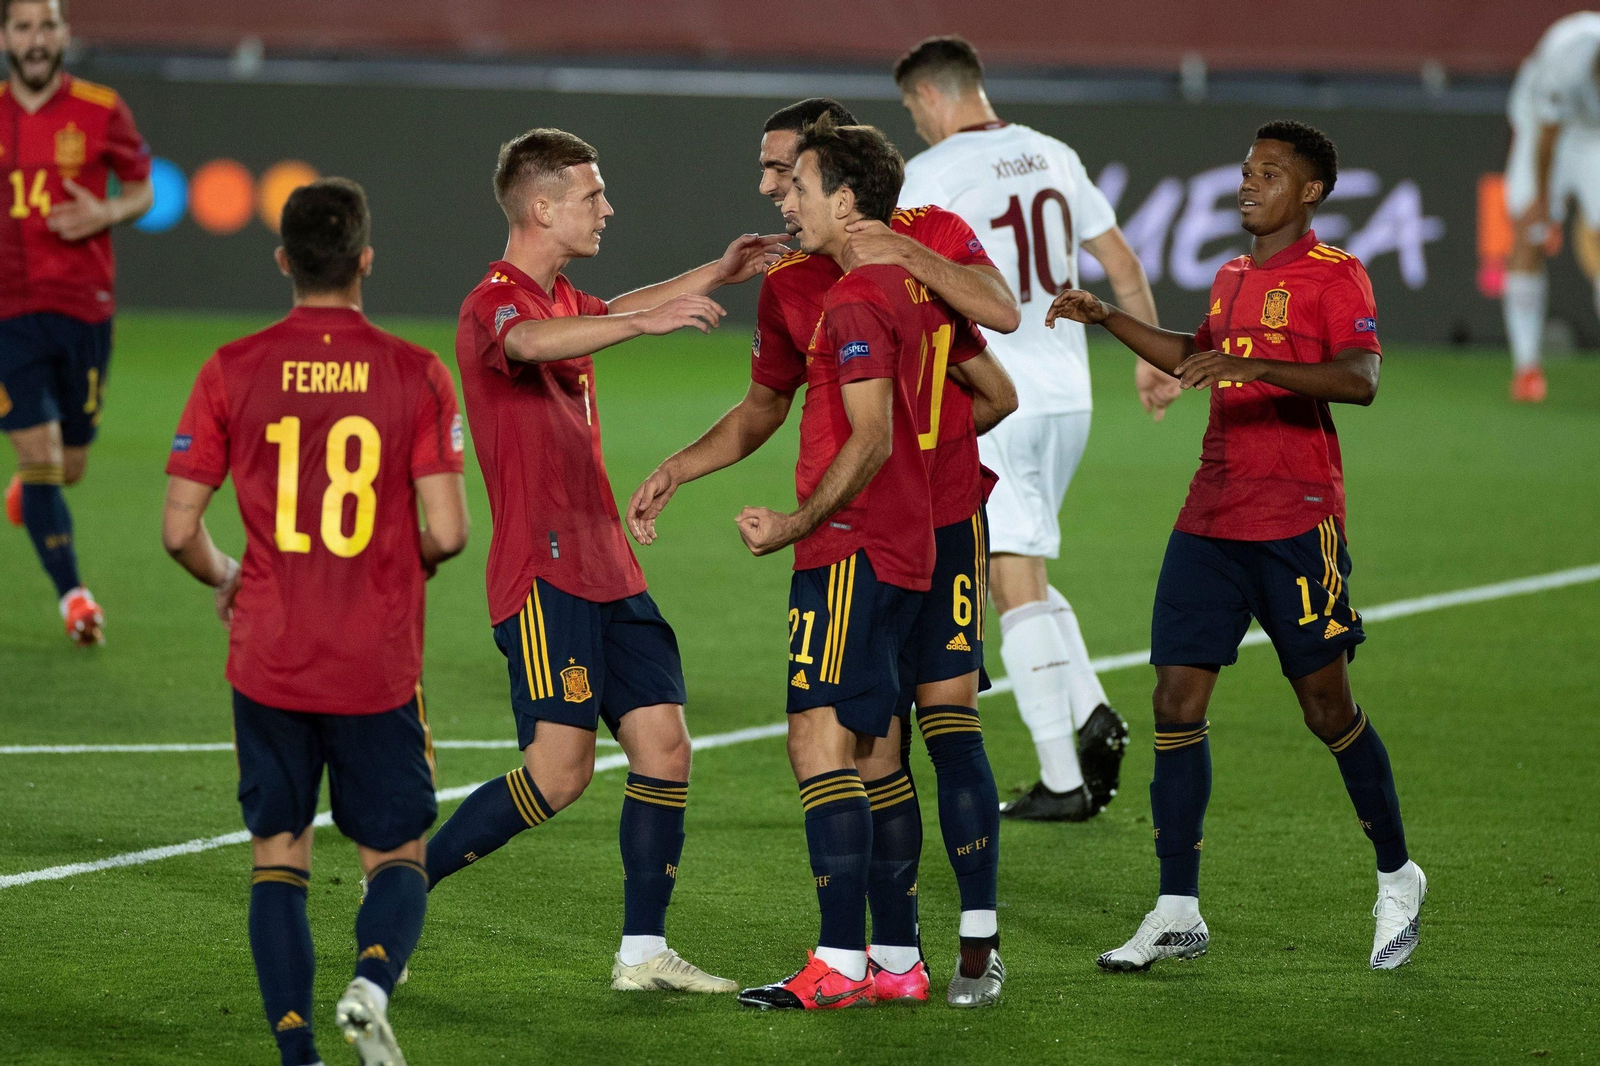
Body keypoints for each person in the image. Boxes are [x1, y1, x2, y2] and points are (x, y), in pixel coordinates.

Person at [633, 96, 1016, 1007]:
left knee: (879, 733)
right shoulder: (801, 280)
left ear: (838, 182)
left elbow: (980, 371)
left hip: (887, 528)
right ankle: (896, 956)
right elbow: (770, 407)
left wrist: (838, 505)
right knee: (877, 746)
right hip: (897, 523)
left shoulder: (894, 261)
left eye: (785, 173)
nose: (771, 192)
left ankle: (901, 951)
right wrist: (684, 466)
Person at [1048, 121, 1426, 972]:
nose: (1249, 183)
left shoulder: (1337, 276)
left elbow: (1360, 379)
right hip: (1209, 518)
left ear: (1312, 191)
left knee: (1326, 709)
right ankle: (1176, 908)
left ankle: (1398, 874)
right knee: (1176, 703)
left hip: (1296, 519)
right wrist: (1106, 315)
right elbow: (1196, 355)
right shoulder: (1230, 275)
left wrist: (1254, 368)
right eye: (1247, 170)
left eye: (1270, 173)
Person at [427, 127, 784, 994]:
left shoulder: (565, 301)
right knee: (559, 773)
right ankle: (402, 882)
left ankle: (641, 954)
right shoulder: (495, 304)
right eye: (591, 195)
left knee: (664, 744)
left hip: (609, 565)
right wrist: (641, 325)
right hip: (542, 574)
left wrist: (713, 273)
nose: (607, 207)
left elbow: (610, 307)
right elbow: (527, 347)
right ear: (542, 207)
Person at [163, 178, 470, 1065]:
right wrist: (380, 566)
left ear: (283, 261)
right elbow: (448, 529)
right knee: (398, 852)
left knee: (279, 858)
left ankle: (297, 1053)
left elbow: (179, 529)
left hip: (269, 654)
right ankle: (372, 984)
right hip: (373, 658)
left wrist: (231, 573)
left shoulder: (232, 367)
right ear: (366, 261)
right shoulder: (416, 373)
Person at [891, 35, 1174, 821]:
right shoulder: (1053, 153)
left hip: (999, 396)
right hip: (1070, 394)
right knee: (1021, 565)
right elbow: (1123, 265)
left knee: (1007, 576)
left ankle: (1062, 778)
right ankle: (1090, 715)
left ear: (932, 97)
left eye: (914, 108)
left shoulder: (933, 175)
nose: (915, 123)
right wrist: (1151, 358)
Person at [0, 0, 152, 644]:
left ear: (65, 34)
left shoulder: (100, 107)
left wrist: (107, 214)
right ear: (6, 36)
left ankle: (32, 491)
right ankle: (75, 597)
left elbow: (142, 187)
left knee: (71, 465)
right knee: (41, 459)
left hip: (84, 309)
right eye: (24, 26)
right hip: (7, 313)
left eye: (47, 26)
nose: (36, 39)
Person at [1502, 11, 1600, 402]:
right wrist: (1542, 202)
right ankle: (1527, 369)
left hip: (1595, 135)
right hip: (1541, 127)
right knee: (1532, 232)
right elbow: (1547, 137)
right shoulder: (1567, 56)